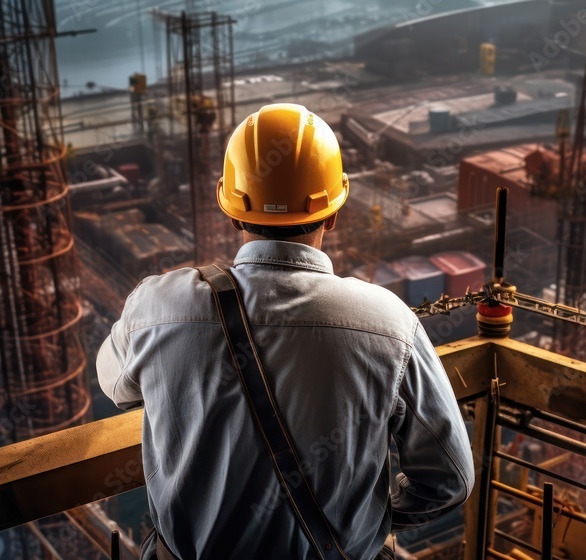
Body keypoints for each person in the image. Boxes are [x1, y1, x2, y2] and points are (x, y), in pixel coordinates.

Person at [96, 103, 474, 560]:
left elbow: (117, 387)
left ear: (232, 211)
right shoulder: (390, 324)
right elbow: (449, 480)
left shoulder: (158, 303)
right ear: (332, 213)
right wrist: (367, 520)